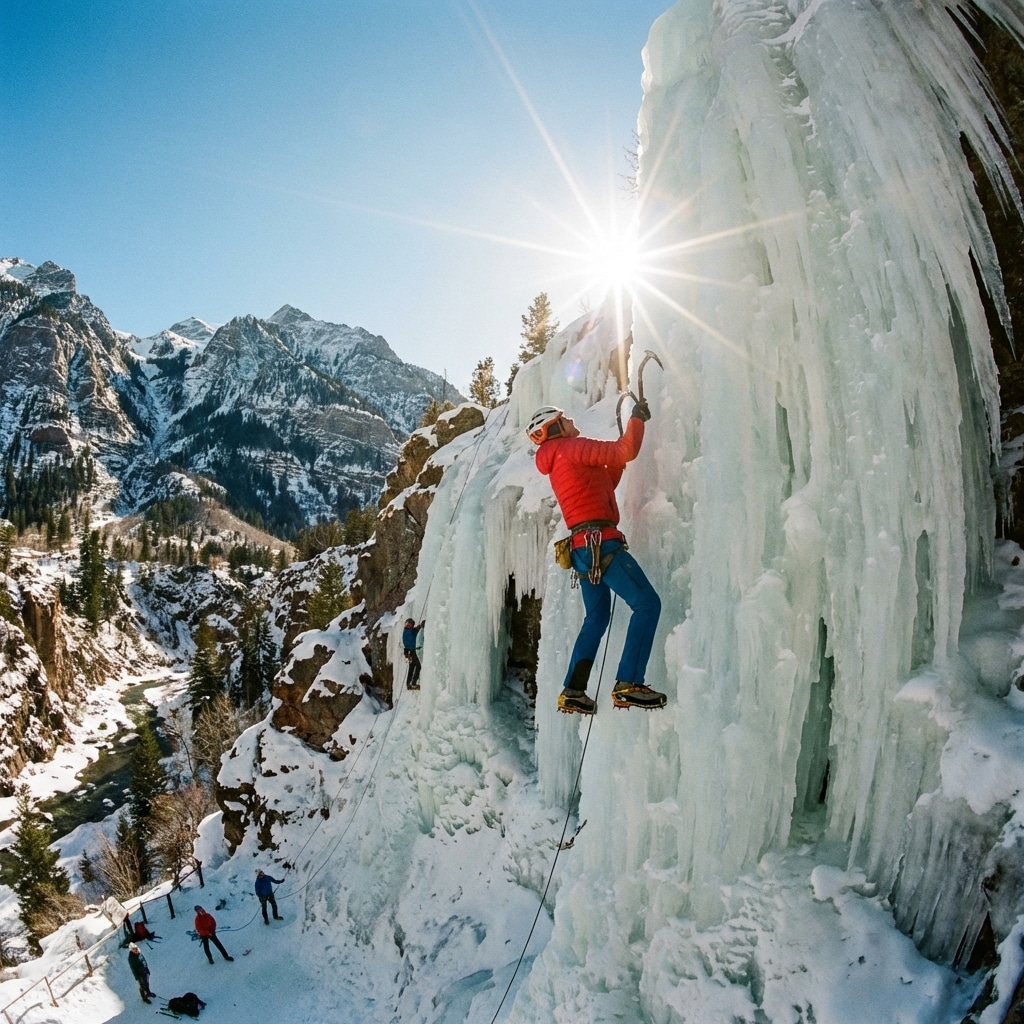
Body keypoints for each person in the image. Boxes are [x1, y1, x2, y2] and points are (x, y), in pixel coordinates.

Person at [528, 402, 665, 713]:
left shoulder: (559, 459)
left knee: (597, 618)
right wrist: (637, 418)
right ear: (555, 428)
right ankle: (628, 682)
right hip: (601, 543)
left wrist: (617, 458)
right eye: (564, 419)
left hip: (581, 550)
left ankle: (573, 690)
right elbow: (625, 450)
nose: (572, 420)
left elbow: (602, 483)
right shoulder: (573, 447)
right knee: (647, 604)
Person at [402, 617, 425, 690]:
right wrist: (420, 627)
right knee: (418, 665)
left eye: (409, 624)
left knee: (412, 667)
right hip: (413, 651)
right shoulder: (409, 632)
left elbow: (413, 631)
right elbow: (414, 635)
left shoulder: (406, 631)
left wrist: (418, 627)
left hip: (409, 652)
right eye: (408, 624)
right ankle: (413, 682)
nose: (408, 625)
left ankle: (409, 683)